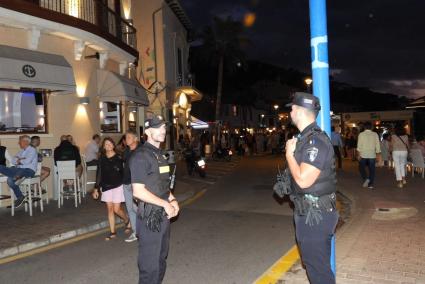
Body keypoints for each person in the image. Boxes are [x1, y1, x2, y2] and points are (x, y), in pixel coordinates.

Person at [284, 92, 338, 284]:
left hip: (316, 216)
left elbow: (304, 181)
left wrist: (289, 154)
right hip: (308, 213)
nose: (290, 112)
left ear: (299, 110)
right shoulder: (306, 139)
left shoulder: (315, 141)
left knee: (319, 273)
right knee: (315, 267)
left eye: (292, 108)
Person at [130, 115, 179, 284]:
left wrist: (173, 201)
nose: (163, 131)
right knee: (149, 266)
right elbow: (138, 191)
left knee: (160, 260)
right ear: (148, 131)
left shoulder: (160, 155)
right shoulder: (140, 156)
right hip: (150, 217)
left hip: (163, 215)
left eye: (164, 127)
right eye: (158, 127)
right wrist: (165, 203)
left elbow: (164, 186)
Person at [92, 137, 131, 240]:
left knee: (116, 209)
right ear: (103, 147)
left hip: (118, 185)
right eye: (106, 144)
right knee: (110, 209)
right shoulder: (102, 158)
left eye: (110, 143)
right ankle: (113, 232)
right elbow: (99, 173)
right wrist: (96, 188)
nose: (108, 145)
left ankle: (126, 220)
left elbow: (124, 171)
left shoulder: (119, 157)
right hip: (106, 186)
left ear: (113, 145)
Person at [0, 135, 38, 208]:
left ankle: (17, 177)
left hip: (28, 170)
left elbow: (27, 161)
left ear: (25, 142)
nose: (18, 143)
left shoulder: (32, 150)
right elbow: (13, 160)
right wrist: (20, 160)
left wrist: (19, 160)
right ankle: (20, 196)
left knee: (11, 179)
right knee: (7, 175)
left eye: (20, 141)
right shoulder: (21, 151)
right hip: (18, 169)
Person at [122, 130, 141, 243]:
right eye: (126, 137)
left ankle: (146, 229)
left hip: (136, 184)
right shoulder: (127, 151)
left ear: (135, 139)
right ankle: (136, 232)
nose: (126, 139)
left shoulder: (141, 151)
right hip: (126, 183)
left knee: (137, 208)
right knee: (130, 209)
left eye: (129, 137)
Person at [357, 122, 381, 189]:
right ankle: (371, 184)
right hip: (372, 154)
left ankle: (366, 178)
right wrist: (378, 154)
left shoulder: (361, 134)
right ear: (371, 127)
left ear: (364, 127)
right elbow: (377, 145)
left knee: (361, 168)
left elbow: (359, 146)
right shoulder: (375, 134)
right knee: (372, 169)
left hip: (363, 154)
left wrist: (358, 155)